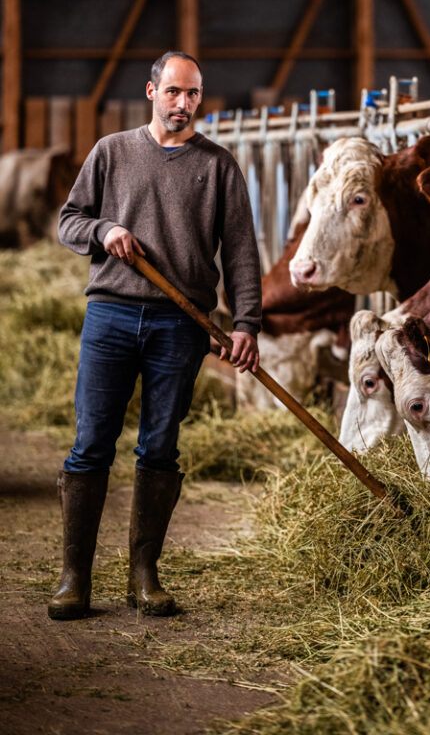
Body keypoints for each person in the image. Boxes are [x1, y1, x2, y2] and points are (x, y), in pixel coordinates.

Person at [49, 51, 261, 621]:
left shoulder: (217, 166)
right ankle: (76, 578)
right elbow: (67, 221)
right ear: (151, 91)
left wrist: (245, 324)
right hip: (112, 316)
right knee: (92, 442)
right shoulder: (112, 152)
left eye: (193, 94)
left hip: (181, 323)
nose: (183, 103)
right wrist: (105, 229)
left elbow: (240, 251)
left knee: (160, 446)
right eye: (173, 92)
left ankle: (144, 575)